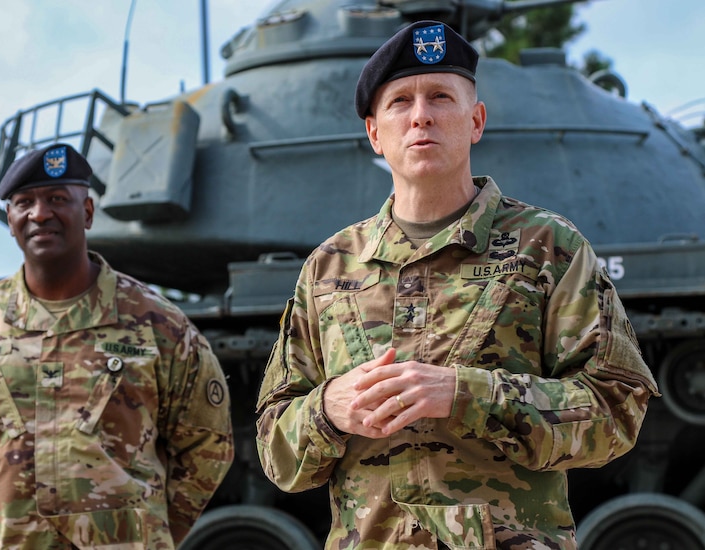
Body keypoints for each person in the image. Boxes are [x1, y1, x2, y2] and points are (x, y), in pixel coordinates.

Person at [255, 20, 659, 550]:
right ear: (375, 134)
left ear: (476, 120)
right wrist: (329, 408)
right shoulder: (329, 268)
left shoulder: (548, 248)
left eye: (440, 95)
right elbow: (274, 448)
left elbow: (616, 409)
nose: (421, 114)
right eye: (400, 101)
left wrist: (465, 393)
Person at [0, 143, 234, 549]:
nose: (40, 213)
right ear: (10, 220)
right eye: (23, 202)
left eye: (58, 199)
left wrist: (147, 530)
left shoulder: (159, 325)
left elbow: (207, 443)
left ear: (88, 212)